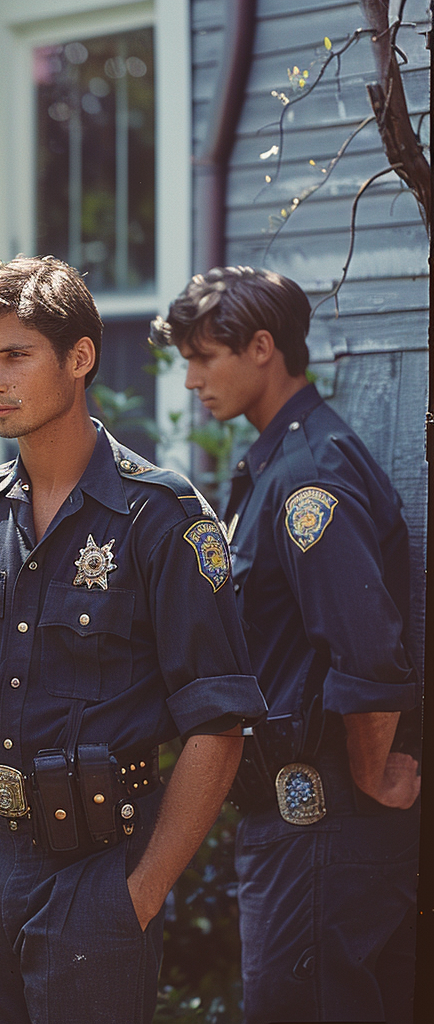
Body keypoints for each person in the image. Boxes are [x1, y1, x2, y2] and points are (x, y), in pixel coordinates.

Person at [0, 255, 266, 1024]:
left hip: (98, 869)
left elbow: (219, 725)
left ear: (80, 357)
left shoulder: (162, 518)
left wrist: (140, 891)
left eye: (14, 356)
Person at [153, 265, 421, 1024]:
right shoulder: (276, 463)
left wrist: (371, 770)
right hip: (297, 822)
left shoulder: (308, 476)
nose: (192, 381)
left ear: (262, 347)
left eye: (205, 357)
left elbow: (366, 646)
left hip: (323, 825)